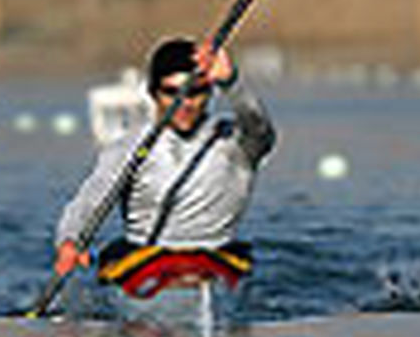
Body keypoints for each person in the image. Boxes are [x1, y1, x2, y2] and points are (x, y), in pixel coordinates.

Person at [53, 37, 276, 298]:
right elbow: (90, 201)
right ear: (152, 93)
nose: (186, 103)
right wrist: (70, 240)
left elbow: (261, 128)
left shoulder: (238, 144)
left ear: (211, 92)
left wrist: (231, 83)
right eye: (172, 93)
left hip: (218, 259)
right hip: (145, 260)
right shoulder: (127, 148)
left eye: (196, 92)